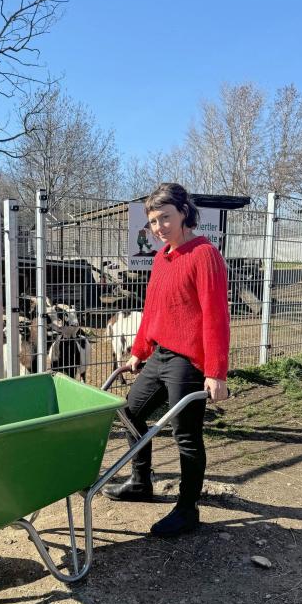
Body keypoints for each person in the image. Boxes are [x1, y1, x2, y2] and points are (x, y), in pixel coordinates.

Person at [103, 183, 230, 537]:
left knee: (186, 435)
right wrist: (138, 352)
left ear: (185, 213)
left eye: (166, 218)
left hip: (189, 360)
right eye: (154, 221)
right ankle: (141, 482)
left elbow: (216, 315)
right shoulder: (162, 258)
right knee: (130, 413)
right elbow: (154, 312)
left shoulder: (205, 255)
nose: (159, 228)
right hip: (160, 354)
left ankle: (187, 511)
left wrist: (216, 372)